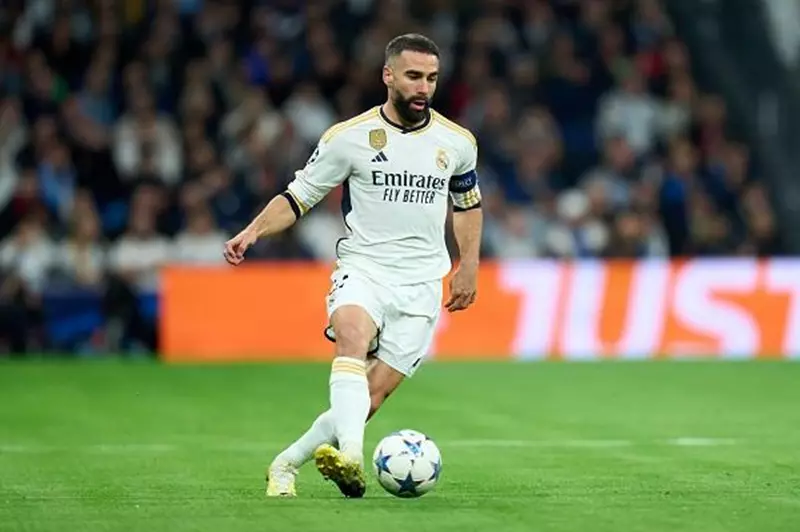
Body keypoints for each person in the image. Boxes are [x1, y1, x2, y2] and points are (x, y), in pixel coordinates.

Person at [224, 34, 483, 498]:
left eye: (431, 78)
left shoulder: (458, 143)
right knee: (351, 334)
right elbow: (298, 196)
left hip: (422, 283)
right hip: (364, 268)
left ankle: (286, 464)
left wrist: (469, 265)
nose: (423, 87)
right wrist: (254, 230)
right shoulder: (348, 138)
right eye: (413, 76)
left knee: (370, 397)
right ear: (388, 76)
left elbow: (467, 205)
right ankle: (352, 459)